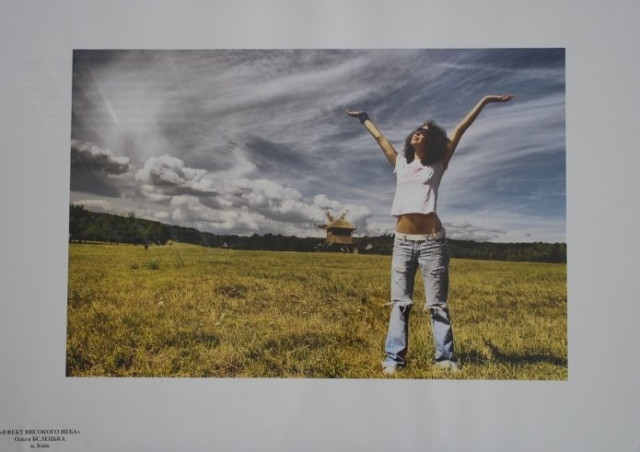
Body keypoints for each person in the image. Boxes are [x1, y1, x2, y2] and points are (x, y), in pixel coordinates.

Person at [347, 93, 513, 376]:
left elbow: (460, 129)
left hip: (432, 244)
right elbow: (380, 139)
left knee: (437, 304)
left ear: (433, 141)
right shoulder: (401, 163)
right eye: (417, 130)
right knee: (400, 304)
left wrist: (485, 100)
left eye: (424, 131)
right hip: (402, 244)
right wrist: (364, 118)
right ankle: (394, 359)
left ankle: (444, 359)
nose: (418, 132)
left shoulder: (437, 164)